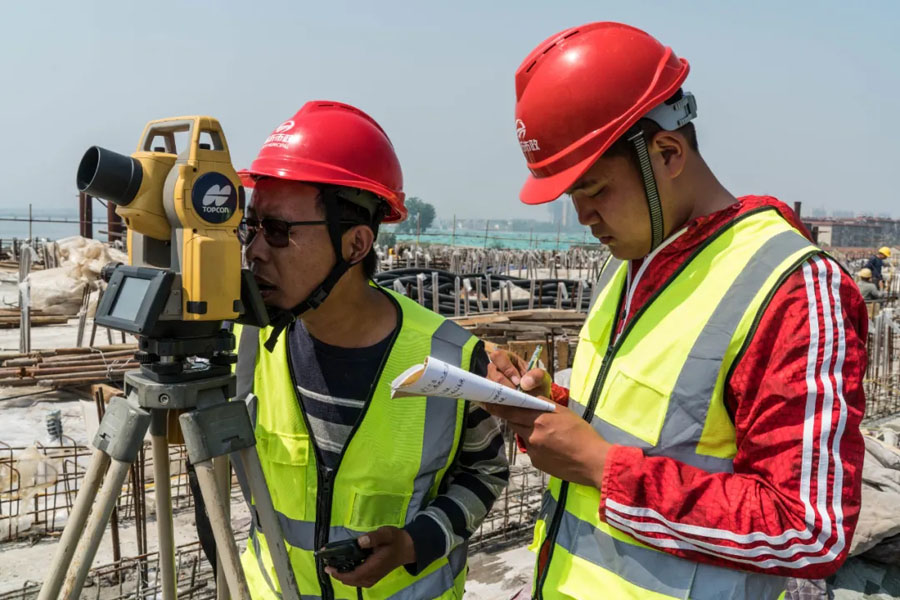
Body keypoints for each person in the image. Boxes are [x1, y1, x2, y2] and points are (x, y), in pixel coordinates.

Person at [486, 22, 867, 599]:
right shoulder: (629, 264)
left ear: (666, 153)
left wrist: (599, 469)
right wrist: (548, 407)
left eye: (594, 188)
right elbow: (654, 425)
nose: (583, 216)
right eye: (572, 197)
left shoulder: (792, 289)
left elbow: (807, 529)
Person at [233, 101, 509, 599]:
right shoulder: (246, 345)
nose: (254, 250)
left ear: (356, 244)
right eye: (250, 227)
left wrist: (417, 542)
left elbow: (485, 470)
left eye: (277, 231)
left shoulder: (450, 359)